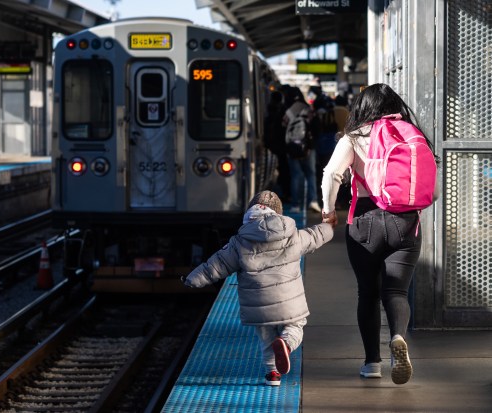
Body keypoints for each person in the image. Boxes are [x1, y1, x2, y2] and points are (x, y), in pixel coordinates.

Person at [320, 83, 440, 385]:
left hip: (365, 221)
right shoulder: (413, 134)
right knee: (396, 291)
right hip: (406, 223)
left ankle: (372, 363)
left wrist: (328, 211)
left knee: (368, 293)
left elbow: (331, 174)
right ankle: (398, 336)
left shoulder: (355, 137)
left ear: (363, 107)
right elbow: (433, 190)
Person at [182, 190, 335, 386]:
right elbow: (316, 235)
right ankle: (286, 344)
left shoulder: (238, 242)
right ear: (277, 213)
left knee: (266, 340)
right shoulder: (293, 235)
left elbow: (215, 266)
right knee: (295, 326)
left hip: (259, 307)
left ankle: (273, 375)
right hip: (290, 302)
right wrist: (328, 225)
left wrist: (191, 279)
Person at [282, 87, 322, 213]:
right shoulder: (309, 109)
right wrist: (311, 145)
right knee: (310, 175)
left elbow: (282, 128)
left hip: (292, 148)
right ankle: (313, 201)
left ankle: (296, 205)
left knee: (296, 176)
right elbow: (316, 128)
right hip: (309, 148)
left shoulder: (288, 111)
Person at [263, 90, 290, 201]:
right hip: (282, 144)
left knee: (278, 169)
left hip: (271, 144)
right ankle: (284, 192)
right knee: (284, 169)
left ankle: (278, 191)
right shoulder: (285, 110)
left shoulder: (269, 110)